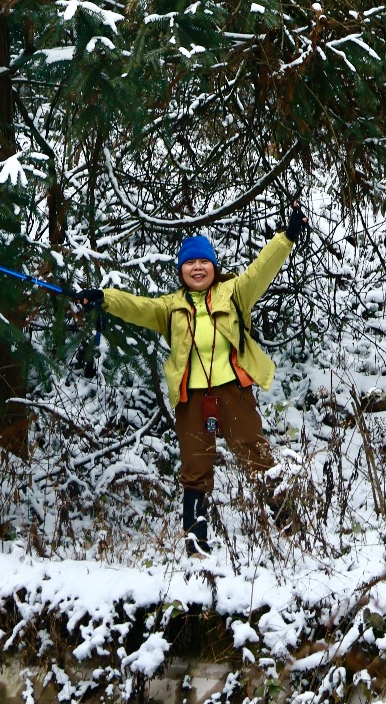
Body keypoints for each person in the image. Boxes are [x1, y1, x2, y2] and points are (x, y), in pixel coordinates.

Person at [76, 208, 304, 556]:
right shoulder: (170, 307)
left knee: (256, 457)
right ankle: (197, 546)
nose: (198, 268)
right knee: (195, 468)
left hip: (233, 392)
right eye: (190, 263)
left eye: (204, 262)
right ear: (181, 270)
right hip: (191, 398)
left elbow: (261, 270)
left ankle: (291, 529)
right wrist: (104, 298)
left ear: (214, 266)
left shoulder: (234, 293)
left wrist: (286, 238)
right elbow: (136, 306)